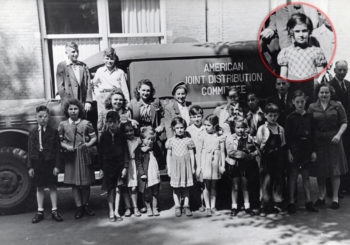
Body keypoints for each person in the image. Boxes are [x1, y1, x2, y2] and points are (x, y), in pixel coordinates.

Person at [308, 84, 348, 209]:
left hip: (334, 141)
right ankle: (321, 196)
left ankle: (335, 198)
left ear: (331, 94)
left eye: (326, 93)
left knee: (335, 171)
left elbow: (344, 122)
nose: (324, 95)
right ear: (318, 94)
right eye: (322, 92)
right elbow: (309, 125)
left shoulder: (337, 105)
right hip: (319, 142)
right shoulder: (312, 107)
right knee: (321, 171)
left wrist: (338, 135)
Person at [58, 99, 96, 219]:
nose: (73, 111)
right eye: (71, 109)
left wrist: (87, 145)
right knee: (74, 184)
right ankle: (79, 207)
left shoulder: (86, 123)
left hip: (84, 155)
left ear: (80, 110)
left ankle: (85, 205)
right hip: (71, 156)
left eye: (75, 109)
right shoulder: (63, 125)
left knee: (86, 183)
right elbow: (59, 141)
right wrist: (67, 146)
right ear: (67, 111)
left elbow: (94, 138)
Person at [277, 13, 327, 100]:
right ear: (291, 32)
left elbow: (320, 77)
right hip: (293, 92)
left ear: (309, 31)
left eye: (304, 31)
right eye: (297, 31)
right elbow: (283, 76)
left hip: (311, 92)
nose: (301, 34)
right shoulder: (286, 52)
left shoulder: (316, 51)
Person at [28, 105, 63, 223]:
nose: (43, 119)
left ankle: (54, 210)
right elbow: (30, 150)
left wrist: (57, 166)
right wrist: (30, 167)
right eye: (40, 116)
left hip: (50, 163)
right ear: (36, 117)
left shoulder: (53, 132)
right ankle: (40, 211)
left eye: (45, 116)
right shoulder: (32, 132)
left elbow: (58, 150)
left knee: (53, 186)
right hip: (37, 163)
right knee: (39, 187)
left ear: (49, 117)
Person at [285, 90, 318, 214]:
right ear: (293, 102)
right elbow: (287, 137)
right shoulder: (290, 117)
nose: (300, 104)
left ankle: (308, 202)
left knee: (306, 176)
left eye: (302, 102)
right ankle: (292, 202)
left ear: (305, 102)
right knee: (293, 176)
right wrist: (289, 152)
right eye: (297, 102)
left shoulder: (310, 116)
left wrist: (313, 151)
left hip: (307, 149)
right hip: (294, 149)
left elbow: (313, 135)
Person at [99, 111, 129, 222]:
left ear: (118, 122)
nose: (112, 124)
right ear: (106, 122)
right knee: (110, 189)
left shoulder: (122, 136)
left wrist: (125, 167)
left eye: (114, 122)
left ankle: (117, 211)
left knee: (118, 189)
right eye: (109, 122)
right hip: (108, 167)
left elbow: (126, 151)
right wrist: (101, 167)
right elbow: (100, 152)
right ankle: (111, 211)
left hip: (119, 166)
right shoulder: (104, 136)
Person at [256, 103, 286, 214]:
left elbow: (283, 144)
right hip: (266, 160)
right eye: (270, 115)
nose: (273, 118)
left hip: (277, 159)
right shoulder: (262, 129)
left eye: (275, 115)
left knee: (277, 181)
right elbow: (258, 144)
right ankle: (264, 205)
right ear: (265, 115)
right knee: (266, 182)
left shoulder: (280, 129)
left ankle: (277, 204)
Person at [225, 119, 259, 216]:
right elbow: (230, 152)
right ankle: (234, 206)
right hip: (235, 165)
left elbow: (256, 150)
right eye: (238, 128)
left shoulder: (249, 138)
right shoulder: (231, 138)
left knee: (245, 185)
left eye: (242, 127)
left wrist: (251, 154)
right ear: (234, 128)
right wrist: (244, 154)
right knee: (235, 186)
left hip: (246, 165)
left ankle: (247, 206)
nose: (240, 130)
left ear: (246, 128)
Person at [166, 117, 195, 217]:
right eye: (177, 128)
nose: (180, 130)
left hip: (186, 166)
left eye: (182, 127)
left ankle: (186, 205)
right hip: (175, 167)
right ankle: (177, 206)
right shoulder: (170, 141)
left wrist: (193, 167)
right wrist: (169, 168)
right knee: (176, 188)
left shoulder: (188, 140)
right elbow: (168, 155)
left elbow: (191, 154)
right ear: (173, 128)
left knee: (186, 187)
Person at [197, 114, 225, 216]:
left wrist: (222, 165)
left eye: (208, 125)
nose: (205, 127)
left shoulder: (219, 136)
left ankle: (213, 206)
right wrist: (199, 167)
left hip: (215, 162)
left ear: (215, 125)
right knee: (206, 185)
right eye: (205, 125)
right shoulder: (202, 135)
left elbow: (222, 152)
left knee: (214, 185)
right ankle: (207, 206)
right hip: (205, 162)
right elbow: (199, 152)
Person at [330, 60, 350, 194]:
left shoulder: (348, 84)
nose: (342, 72)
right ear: (334, 71)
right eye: (339, 70)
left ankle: (346, 186)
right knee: (336, 158)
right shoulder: (329, 86)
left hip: (348, 126)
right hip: (335, 126)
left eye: (345, 70)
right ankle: (334, 189)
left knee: (347, 155)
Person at [56, 41, 93, 112]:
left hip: (82, 103)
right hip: (69, 104)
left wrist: (88, 101)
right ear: (66, 53)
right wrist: (67, 103)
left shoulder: (83, 66)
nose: (76, 54)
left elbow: (88, 84)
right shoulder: (62, 66)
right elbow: (60, 87)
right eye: (73, 52)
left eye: (77, 51)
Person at [92, 47, 129, 114]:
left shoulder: (120, 72)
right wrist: (98, 96)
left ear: (115, 59)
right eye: (107, 58)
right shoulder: (100, 71)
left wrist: (127, 102)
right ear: (103, 59)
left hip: (116, 98)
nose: (109, 61)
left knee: (115, 117)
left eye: (112, 59)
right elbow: (95, 86)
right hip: (103, 98)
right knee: (103, 116)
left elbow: (124, 89)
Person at [136, 126, 161, 217]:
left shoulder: (154, 148)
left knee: (155, 192)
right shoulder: (139, 150)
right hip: (146, 174)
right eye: (148, 139)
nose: (150, 141)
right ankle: (149, 208)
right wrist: (142, 173)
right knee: (146, 192)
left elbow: (159, 158)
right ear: (142, 139)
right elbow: (138, 163)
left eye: (152, 139)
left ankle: (155, 208)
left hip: (154, 173)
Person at [186, 105, 206, 212]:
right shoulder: (188, 130)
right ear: (190, 118)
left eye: (198, 116)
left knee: (203, 180)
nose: (196, 119)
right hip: (193, 157)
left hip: (203, 157)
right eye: (193, 117)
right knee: (194, 180)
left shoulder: (206, 128)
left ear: (202, 116)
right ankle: (196, 202)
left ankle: (204, 202)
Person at [121, 121, 142, 217]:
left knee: (134, 187)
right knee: (125, 187)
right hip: (126, 165)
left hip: (135, 164)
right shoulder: (123, 141)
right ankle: (127, 208)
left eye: (131, 130)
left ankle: (136, 207)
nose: (129, 133)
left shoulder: (138, 140)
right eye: (126, 131)